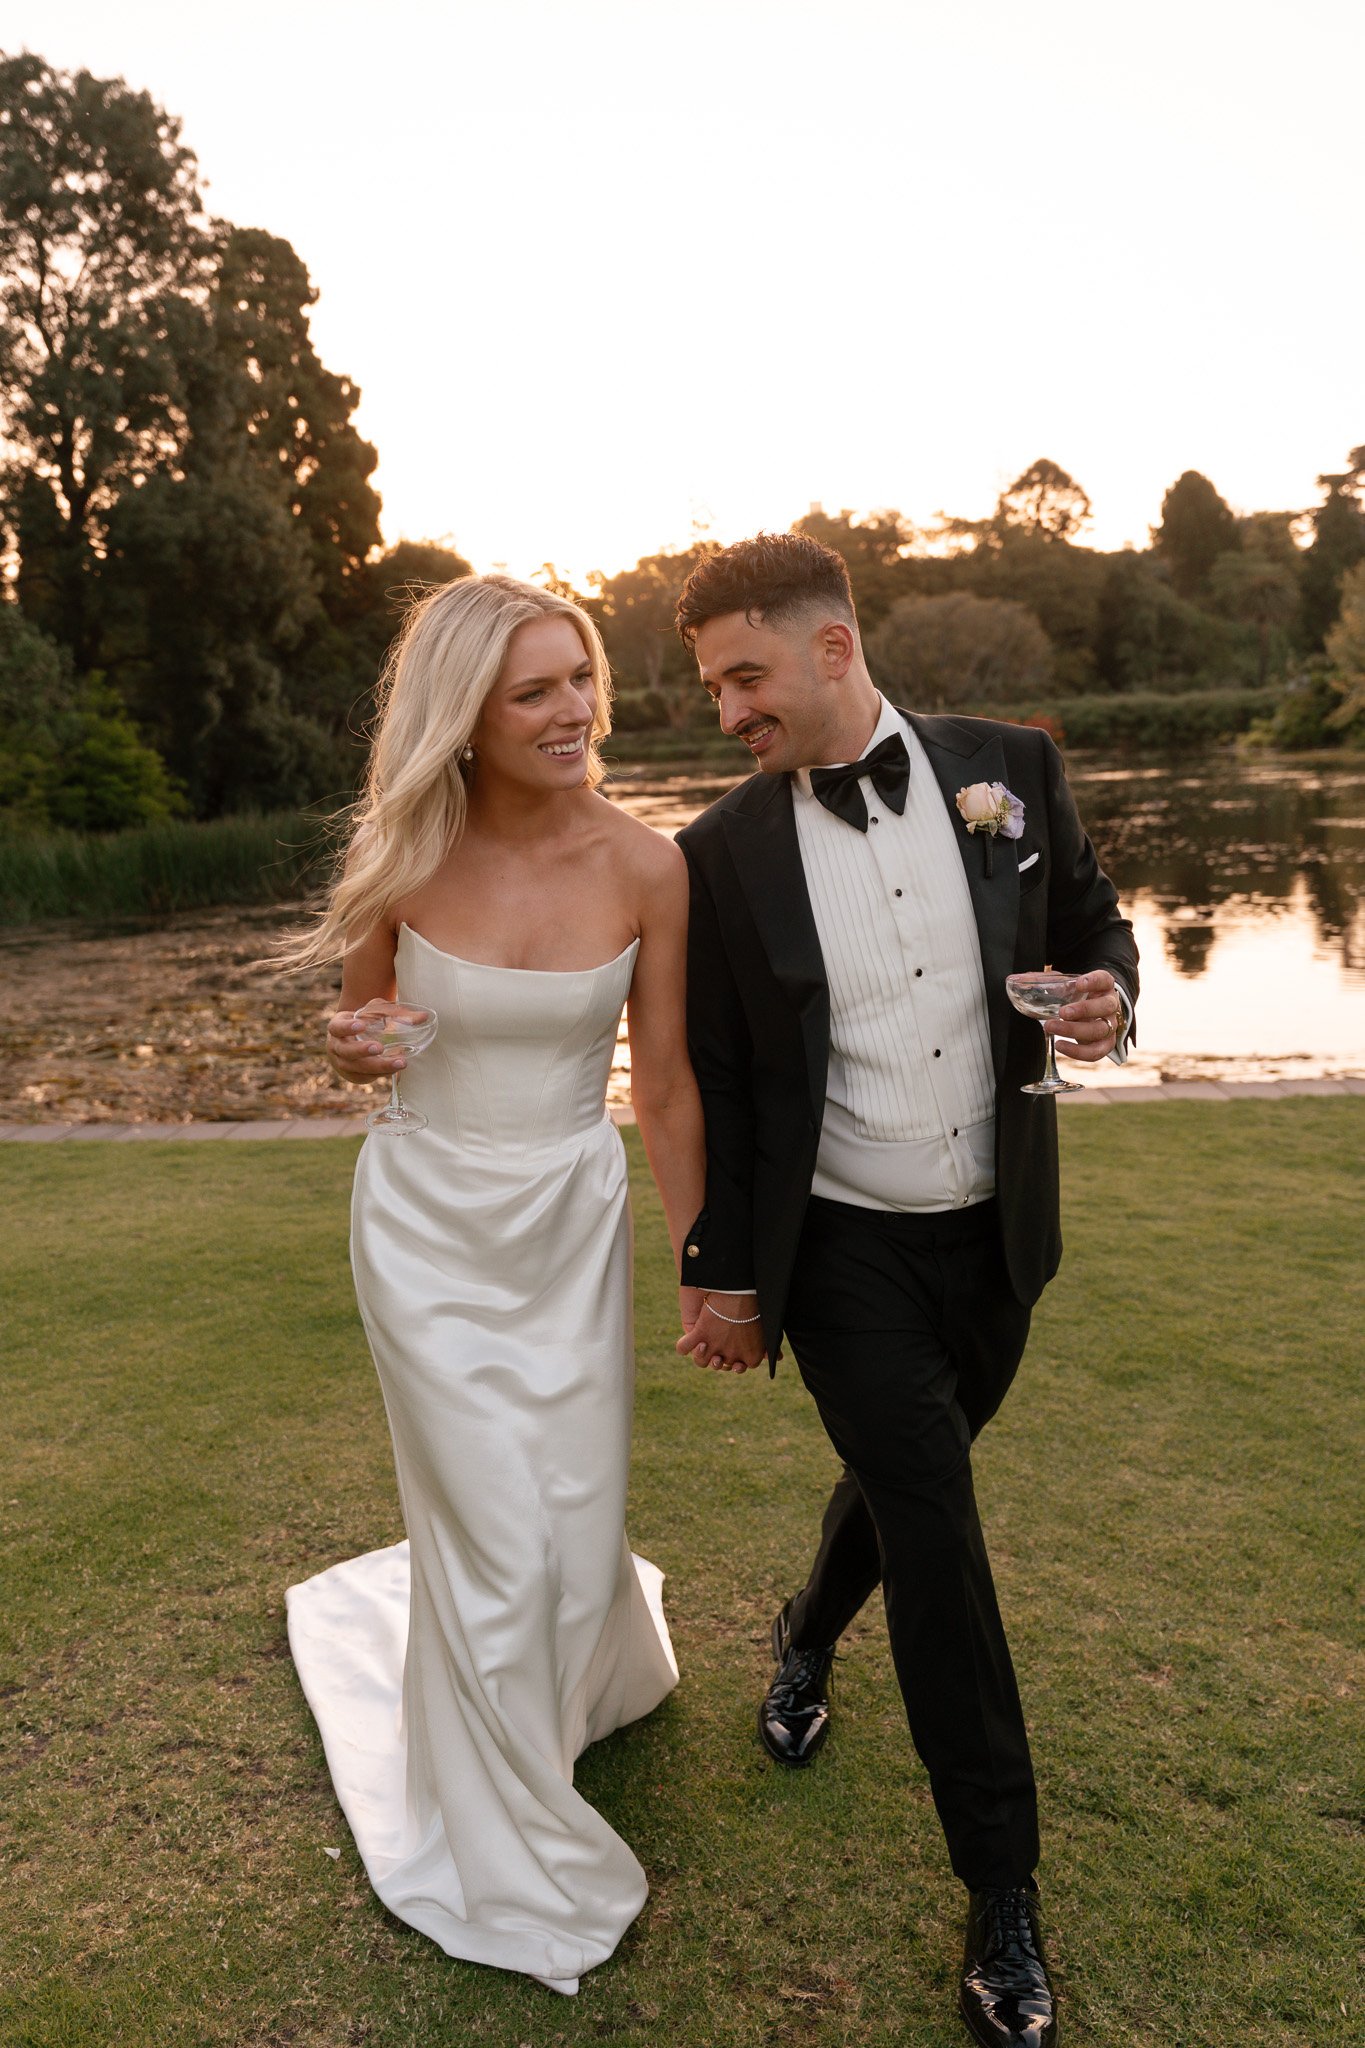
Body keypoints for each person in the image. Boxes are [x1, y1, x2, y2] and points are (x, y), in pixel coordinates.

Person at [669, 532, 1139, 2048]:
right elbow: (726, 1082)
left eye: (745, 676)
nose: (727, 710)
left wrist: (1105, 1001)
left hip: (998, 1237)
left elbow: (1090, 926)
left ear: (830, 647)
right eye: (710, 686)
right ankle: (1000, 1890)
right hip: (843, 1249)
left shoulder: (1009, 769)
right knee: (936, 1526)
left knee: (902, 1482)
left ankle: (806, 1630)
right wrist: (725, 1274)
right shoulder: (714, 854)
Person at [283, 573, 706, 1995]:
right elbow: (361, 1035)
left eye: (579, 676)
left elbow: (667, 1085)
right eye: (535, 689)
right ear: (464, 714)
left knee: (573, 1535)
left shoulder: (651, 867)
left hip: (567, 1219)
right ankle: (510, 1831)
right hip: (425, 1222)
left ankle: (579, 1684)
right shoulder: (403, 859)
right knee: (494, 1537)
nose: (574, 709)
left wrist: (706, 1270)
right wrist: (351, 1053)